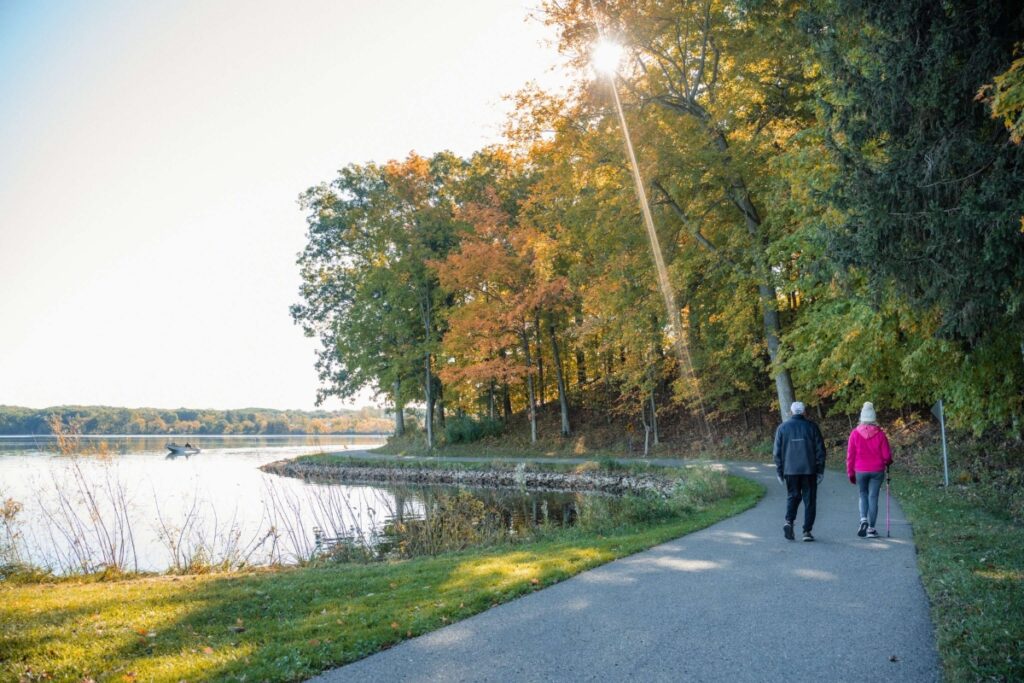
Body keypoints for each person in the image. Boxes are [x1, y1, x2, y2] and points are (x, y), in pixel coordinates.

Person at [773, 401, 827, 542]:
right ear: (804, 412)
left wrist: (779, 471)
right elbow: (820, 450)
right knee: (810, 500)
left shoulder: (782, 428)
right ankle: (807, 531)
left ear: (791, 412)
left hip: (790, 470)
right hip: (809, 469)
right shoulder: (812, 427)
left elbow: (777, 453)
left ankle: (789, 521)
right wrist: (820, 470)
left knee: (793, 496)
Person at [846, 401, 892, 538]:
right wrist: (888, 462)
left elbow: (850, 456)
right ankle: (871, 528)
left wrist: (851, 473)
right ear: (874, 418)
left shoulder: (854, 434)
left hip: (860, 470)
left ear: (861, 418)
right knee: (873, 497)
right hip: (877, 470)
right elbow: (887, 456)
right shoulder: (880, 434)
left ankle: (863, 519)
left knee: (863, 494)